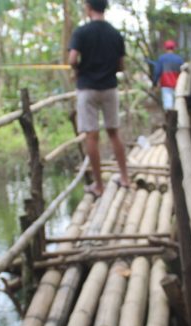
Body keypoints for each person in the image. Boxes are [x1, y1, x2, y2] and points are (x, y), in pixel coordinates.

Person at [68, 0, 130, 197]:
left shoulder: (81, 32)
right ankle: (125, 178)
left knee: (91, 136)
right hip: (110, 88)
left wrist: (79, 70)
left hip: (87, 89)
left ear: (88, 8)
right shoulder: (115, 33)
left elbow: (72, 59)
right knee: (114, 132)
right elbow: (121, 65)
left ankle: (99, 185)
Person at [153, 40, 184, 111]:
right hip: (178, 85)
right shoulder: (179, 59)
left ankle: (169, 120)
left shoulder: (161, 59)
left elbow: (157, 72)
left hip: (165, 84)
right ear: (174, 48)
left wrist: (154, 83)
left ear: (165, 48)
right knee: (178, 104)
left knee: (168, 105)